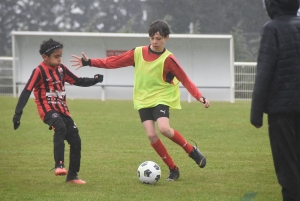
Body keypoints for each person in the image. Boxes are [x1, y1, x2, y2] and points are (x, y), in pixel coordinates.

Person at [70, 20, 210, 181]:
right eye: (152, 38)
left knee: (164, 129)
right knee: (152, 136)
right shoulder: (137, 53)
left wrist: (200, 96)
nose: (155, 42)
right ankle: (173, 169)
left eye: (158, 38)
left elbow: (185, 79)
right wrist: (90, 62)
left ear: (167, 38)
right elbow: (114, 61)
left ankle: (192, 151)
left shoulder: (169, 59)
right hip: (143, 99)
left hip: (161, 97)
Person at [12, 38, 104, 184]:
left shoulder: (62, 69)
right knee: (59, 127)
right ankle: (59, 165)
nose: (60, 59)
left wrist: (94, 79)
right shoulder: (39, 71)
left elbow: (77, 81)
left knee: (76, 140)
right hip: (47, 110)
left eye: (61, 56)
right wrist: (18, 113)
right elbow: (26, 91)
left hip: (63, 110)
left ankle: (72, 176)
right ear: (45, 57)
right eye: (56, 56)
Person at [251, 0, 300, 200]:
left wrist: (256, 113)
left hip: (282, 111)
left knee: (287, 165)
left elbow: (265, 71)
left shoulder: (272, 29)